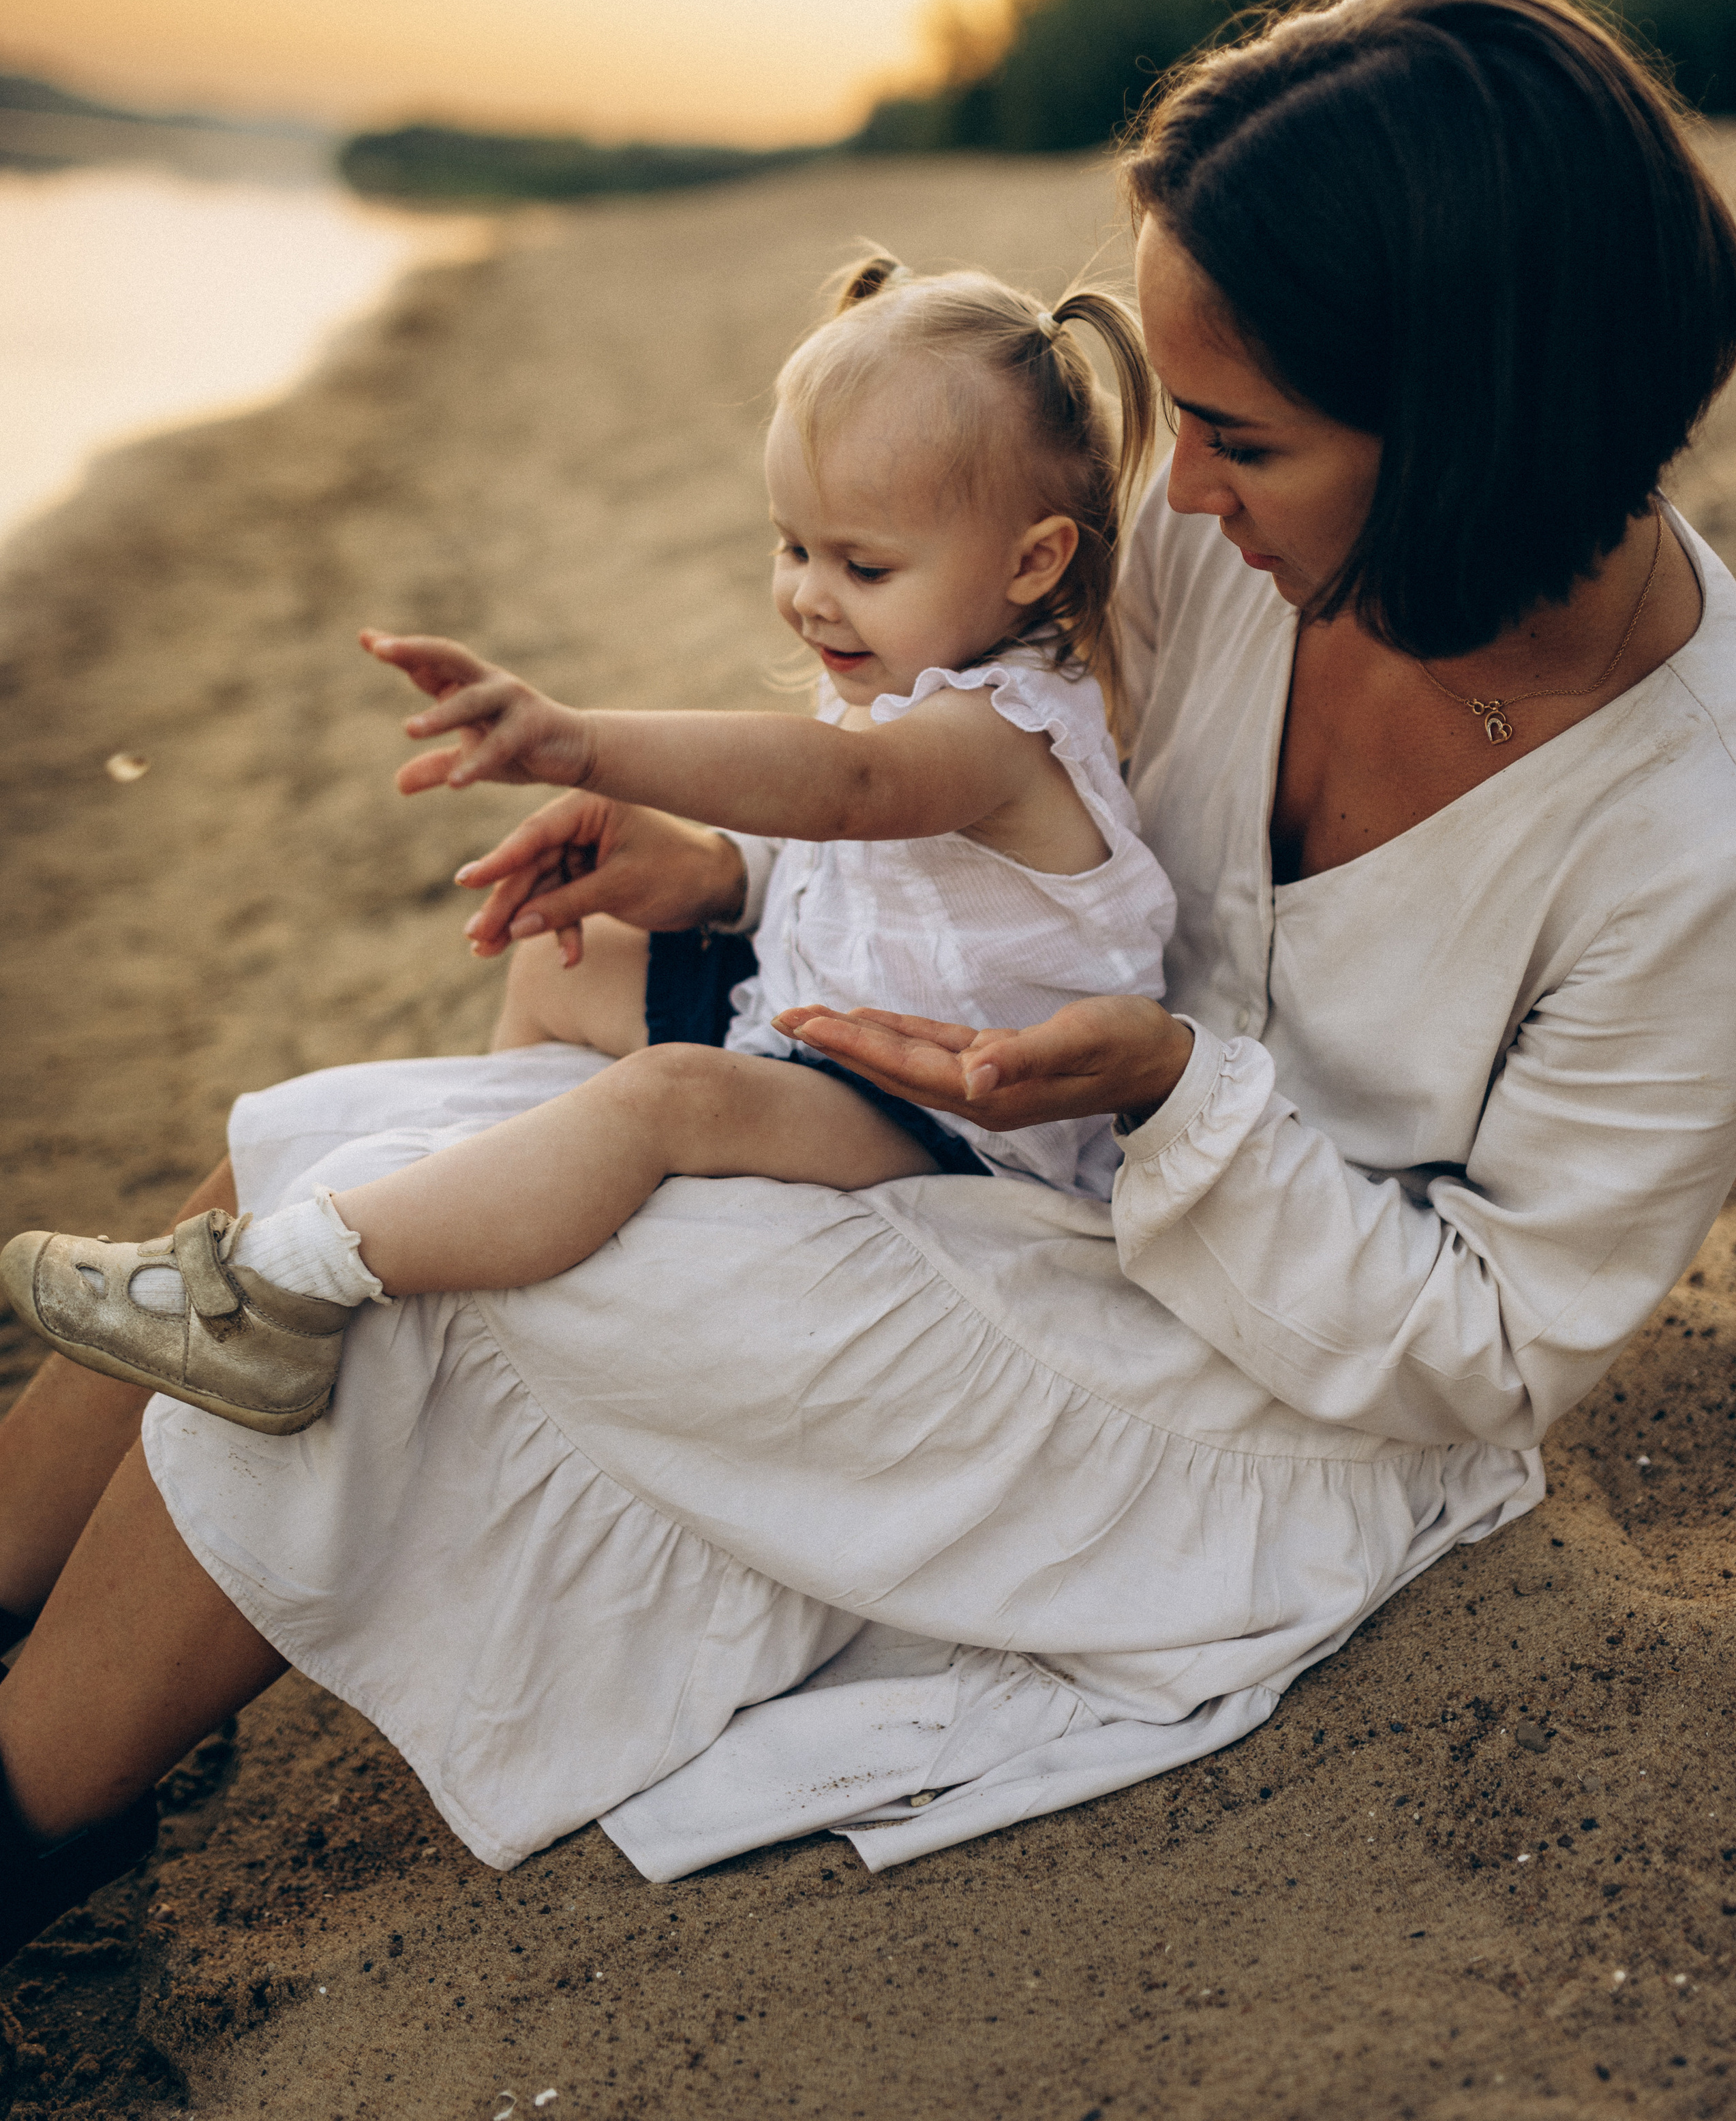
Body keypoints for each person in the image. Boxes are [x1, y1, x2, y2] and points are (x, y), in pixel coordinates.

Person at [3, 0, 1736, 1966]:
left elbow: (1497, 1355)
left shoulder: (1699, 836)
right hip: (981, 1135)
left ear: (1465, 434)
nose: (1169, 498)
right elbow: (974, 777)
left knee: (461, 1290)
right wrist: (723, 868)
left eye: (1242, 441)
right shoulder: (1229, 545)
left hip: (1259, 1380)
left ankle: (34, 1803)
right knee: (331, 1143)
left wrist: (1173, 1097)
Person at [3, 260, 1173, 1433]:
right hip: (823, 1036)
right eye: (792, 548)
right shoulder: (910, 669)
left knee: (675, 1093)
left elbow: (849, 791)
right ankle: (485, 1165)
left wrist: (577, 744)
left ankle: (284, 1289)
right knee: (574, 954)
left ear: (1033, 561)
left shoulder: (1004, 729)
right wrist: (717, 873)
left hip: (960, 1137)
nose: (811, 598)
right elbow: (848, 869)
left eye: (862, 566)